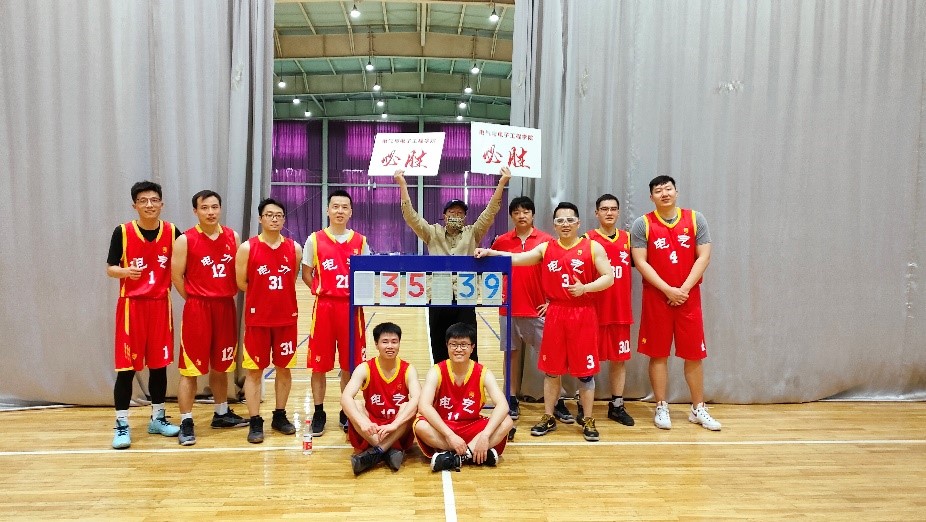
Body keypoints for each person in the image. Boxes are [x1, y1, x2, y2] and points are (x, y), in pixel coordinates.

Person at [475, 202, 614, 442]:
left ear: (578, 223)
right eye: (560, 221)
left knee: (585, 373)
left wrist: (585, 288)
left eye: (570, 220)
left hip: (582, 313)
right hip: (556, 314)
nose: (565, 224)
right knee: (551, 370)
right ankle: (549, 415)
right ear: (554, 225)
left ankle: (588, 418)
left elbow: (609, 277)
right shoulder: (546, 248)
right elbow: (516, 258)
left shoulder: (592, 247)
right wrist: (491, 253)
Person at [630, 175, 721, 431]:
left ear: (676, 192)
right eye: (658, 191)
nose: (664, 193)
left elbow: (704, 256)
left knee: (693, 354)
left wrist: (684, 289)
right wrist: (667, 289)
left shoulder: (695, 219)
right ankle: (661, 405)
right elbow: (640, 262)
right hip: (657, 297)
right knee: (658, 353)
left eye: (668, 189)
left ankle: (698, 408)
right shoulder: (642, 224)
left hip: (688, 298)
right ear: (651, 197)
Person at [394, 167, 512, 363]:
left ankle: (471, 379)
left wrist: (501, 183)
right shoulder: (432, 233)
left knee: (468, 345)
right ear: (444, 215)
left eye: (460, 213)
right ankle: (441, 380)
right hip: (438, 297)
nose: (456, 215)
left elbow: (490, 211)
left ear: (464, 217)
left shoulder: (473, 232)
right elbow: (410, 217)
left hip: (465, 297)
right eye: (452, 212)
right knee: (440, 346)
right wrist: (402, 185)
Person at [106, 180, 181, 449]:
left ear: (161, 203)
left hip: (160, 305)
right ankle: (121, 424)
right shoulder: (123, 232)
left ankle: (157, 418)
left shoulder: (172, 232)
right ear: (134, 205)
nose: (149, 205)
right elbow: (110, 268)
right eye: (143, 201)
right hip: (132, 306)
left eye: (154, 200)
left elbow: (187, 259)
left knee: (159, 366)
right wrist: (125, 272)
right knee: (126, 368)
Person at [171, 190, 246, 446]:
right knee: (190, 369)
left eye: (215, 207)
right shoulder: (185, 240)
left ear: (220, 208)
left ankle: (221, 413)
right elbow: (176, 276)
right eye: (205, 208)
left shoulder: (232, 237)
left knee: (222, 366)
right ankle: (186, 421)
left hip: (225, 307)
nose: (210, 212)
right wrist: (195, 299)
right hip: (198, 309)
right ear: (196, 211)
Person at [302, 190, 370, 437]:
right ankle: (319, 412)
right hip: (325, 308)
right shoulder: (314, 240)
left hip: (352, 309)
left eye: (344, 207)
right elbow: (307, 273)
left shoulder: (360, 241)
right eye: (335, 206)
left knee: (350, 365)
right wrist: (323, 290)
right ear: (328, 210)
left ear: (351, 212)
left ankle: (346, 410)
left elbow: (367, 275)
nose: (340, 211)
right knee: (318, 365)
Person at [235, 198, 303, 443]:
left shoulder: (294, 248)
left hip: (286, 320)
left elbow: (291, 280)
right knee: (254, 372)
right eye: (269, 215)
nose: (274, 219)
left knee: (284, 369)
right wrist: (261, 296)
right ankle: (255, 420)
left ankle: (280, 415)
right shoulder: (247, 248)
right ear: (260, 218)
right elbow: (241, 282)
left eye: (279, 215)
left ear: (284, 219)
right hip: (257, 321)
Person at [414, 322, 514, 472]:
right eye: (454, 344)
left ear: (472, 347)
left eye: (464, 345)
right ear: (447, 346)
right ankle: (475, 453)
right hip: (444, 426)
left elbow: (503, 405)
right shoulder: (436, 371)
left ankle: (456, 457)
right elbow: (424, 406)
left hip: (472, 425)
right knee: (420, 425)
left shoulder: (483, 372)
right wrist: (449, 435)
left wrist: (485, 436)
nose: (459, 349)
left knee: (507, 421)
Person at [489, 196, 553, 420]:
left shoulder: (546, 241)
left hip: (538, 309)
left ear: (533, 215)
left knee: (551, 357)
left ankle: (556, 399)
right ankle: (511, 397)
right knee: (511, 355)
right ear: (511, 216)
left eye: (526, 211)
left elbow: (555, 273)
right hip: (509, 308)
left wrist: (551, 301)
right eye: (516, 212)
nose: (521, 216)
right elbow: (491, 272)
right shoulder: (501, 241)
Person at [341, 322, 420, 475]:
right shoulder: (365, 368)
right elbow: (345, 398)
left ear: (399, 344)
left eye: (394, 342)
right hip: (371, 428)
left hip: (397, 428)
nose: (390, 346)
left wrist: (395, 424)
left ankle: (376, 452)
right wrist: (363, 422)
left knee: (408, 406)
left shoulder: (408, 369)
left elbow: (417, 399)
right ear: (376, 344)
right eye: (385, 342)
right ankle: (387, 451)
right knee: (355, 404)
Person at [585, 194, 635, 426]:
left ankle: (616, 405)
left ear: (618, 212)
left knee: (618, 360)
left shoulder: (628, 239)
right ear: (596, 213)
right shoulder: (587, 239)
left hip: (620, 311)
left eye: (613, 209)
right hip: (593, 311)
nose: (609, 213)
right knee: (588, 359)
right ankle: (584, 405)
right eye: (604, 209)